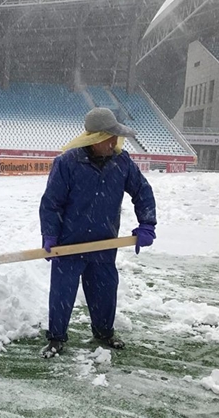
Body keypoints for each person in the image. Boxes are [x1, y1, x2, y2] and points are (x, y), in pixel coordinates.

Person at [39, 107, 157, 357]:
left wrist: (147, 223)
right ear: (94, 139)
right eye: (109, 137)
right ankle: (56, 338)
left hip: (104, 244)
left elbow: (142, 192)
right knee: (62, 294)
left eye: (116, 136)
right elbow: (51, 203)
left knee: (104, 291)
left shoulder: (122, 162)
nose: (114, 142)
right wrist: (49, 235)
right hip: (69, 245)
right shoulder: (67, 163)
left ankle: (104, 333)